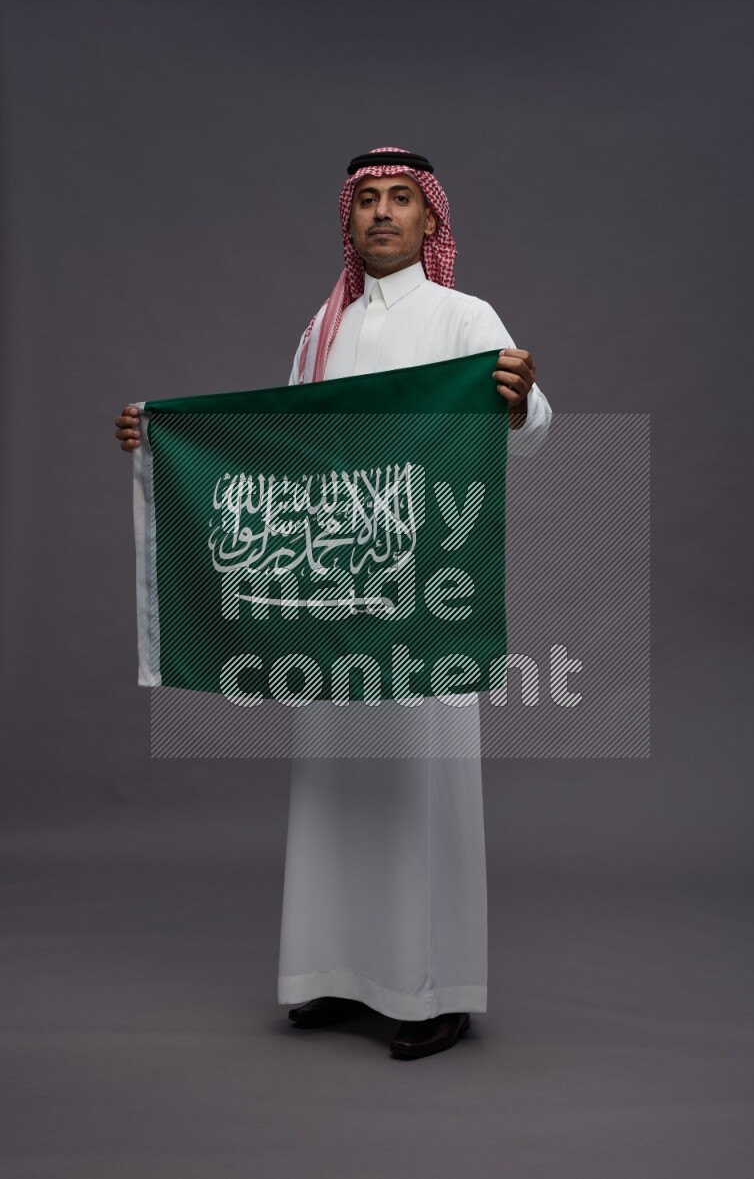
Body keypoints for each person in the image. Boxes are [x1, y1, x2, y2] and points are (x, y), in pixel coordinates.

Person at [115, 146, 552, 1060]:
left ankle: (433, 989)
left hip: (422, 596)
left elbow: (529, 422)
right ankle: (328, 977)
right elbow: (274, 458)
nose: (384, 215)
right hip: (335, 594)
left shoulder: (465, 317)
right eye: (367, 202)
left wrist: (518, 406)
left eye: (402, 200)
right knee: (334, 785)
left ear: (432, 221)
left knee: (419, 786)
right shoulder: (323, 330)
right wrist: (163, 442)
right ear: (347, 222)